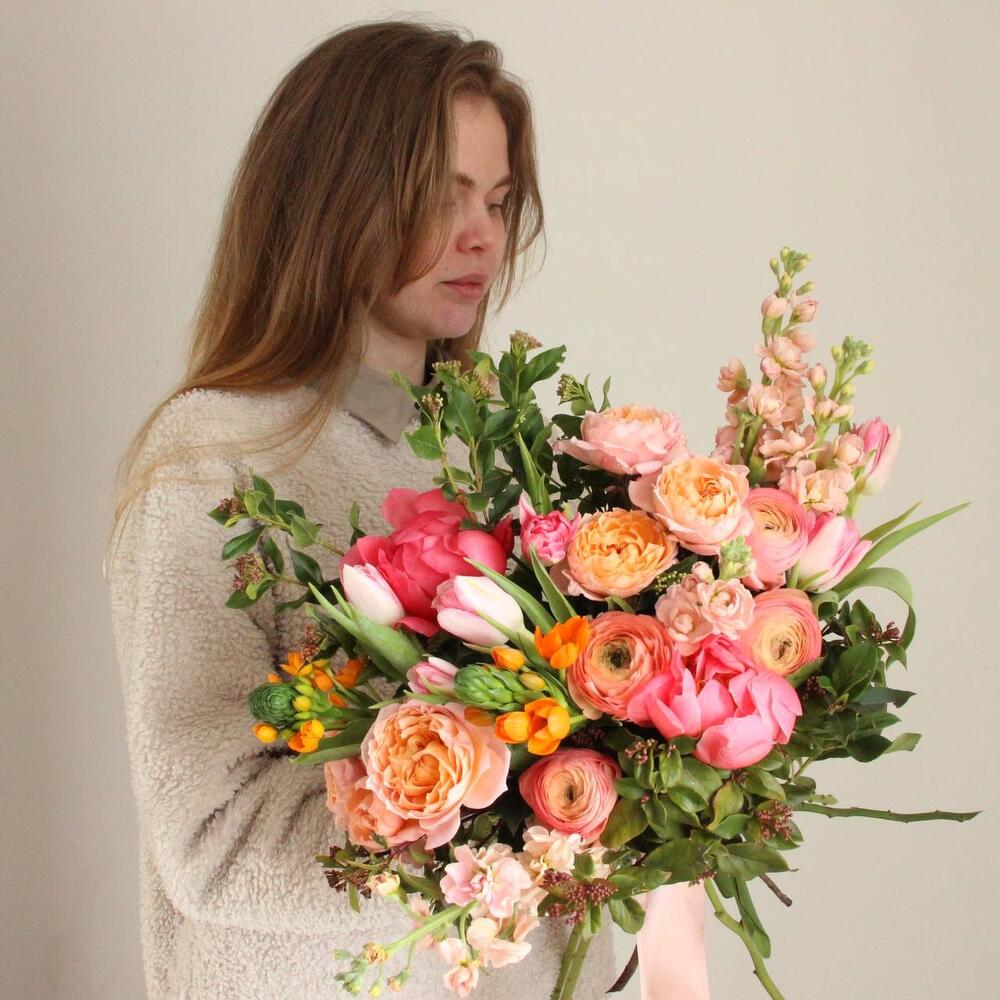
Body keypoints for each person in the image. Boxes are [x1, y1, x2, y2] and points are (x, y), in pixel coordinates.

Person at [105, 18, 707, 1000]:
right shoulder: (212, 459)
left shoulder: (500, 450)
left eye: (498, 201)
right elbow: (211, 836)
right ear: (333, 201)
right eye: (441, 197)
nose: (483, 235)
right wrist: (514, 829)